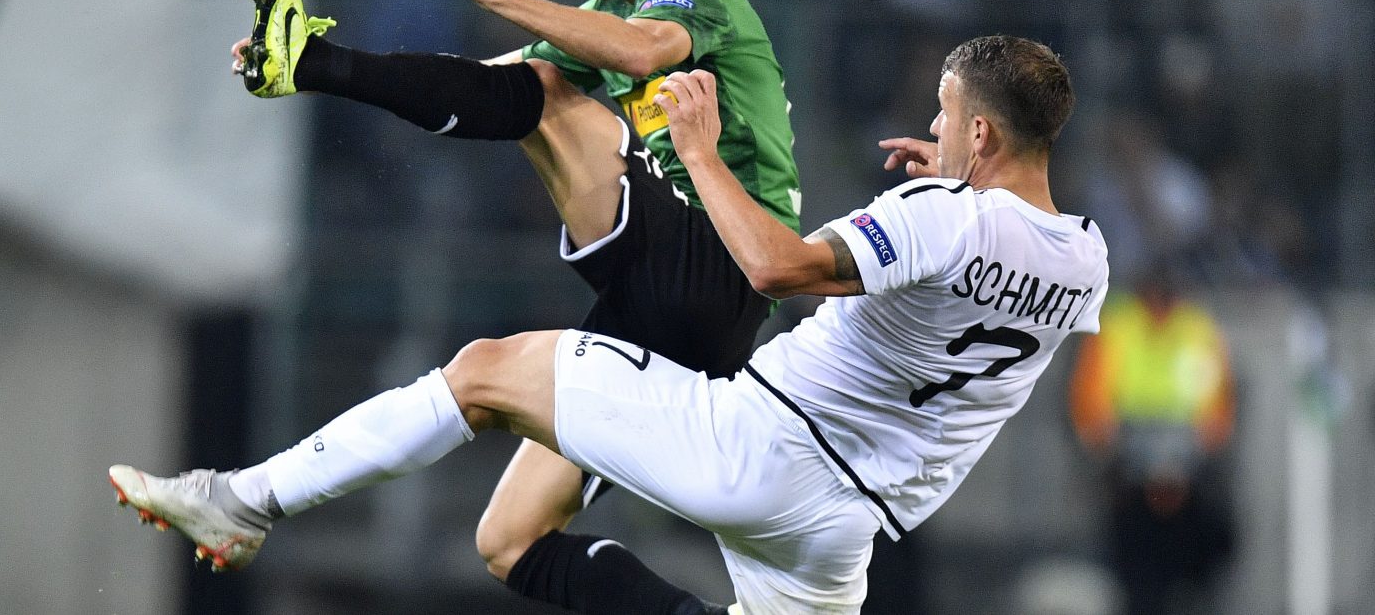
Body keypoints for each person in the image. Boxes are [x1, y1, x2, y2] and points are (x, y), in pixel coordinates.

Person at [111, 35, 1110, 613]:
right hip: (847, 535)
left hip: (761, 449)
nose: (932, 133)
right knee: (510, 541)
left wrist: (699, 149)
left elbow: (777, 266)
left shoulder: (943, 213)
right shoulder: (1084, 257)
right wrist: (950, 193)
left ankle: (243, 501)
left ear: (980, 133)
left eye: (944, 119)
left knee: (486, 372)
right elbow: (984, 268)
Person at [229, 0, 802, 614]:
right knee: (509, 540)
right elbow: (492, 95)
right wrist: (324, 67)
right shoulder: (608, 18)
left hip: (721, 274)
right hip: (667, 315)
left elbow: (641, 55)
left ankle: (253, 496)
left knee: (550, 98)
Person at [1068, 266, 1237, 615]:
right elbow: (1091, 408)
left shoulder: (1196, 329)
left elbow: (1217, 413)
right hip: (1130, 479)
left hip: (1187, 480)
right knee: (1139, 580)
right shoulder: (1117, 326)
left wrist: (1188, 461)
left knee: (1203, 562)